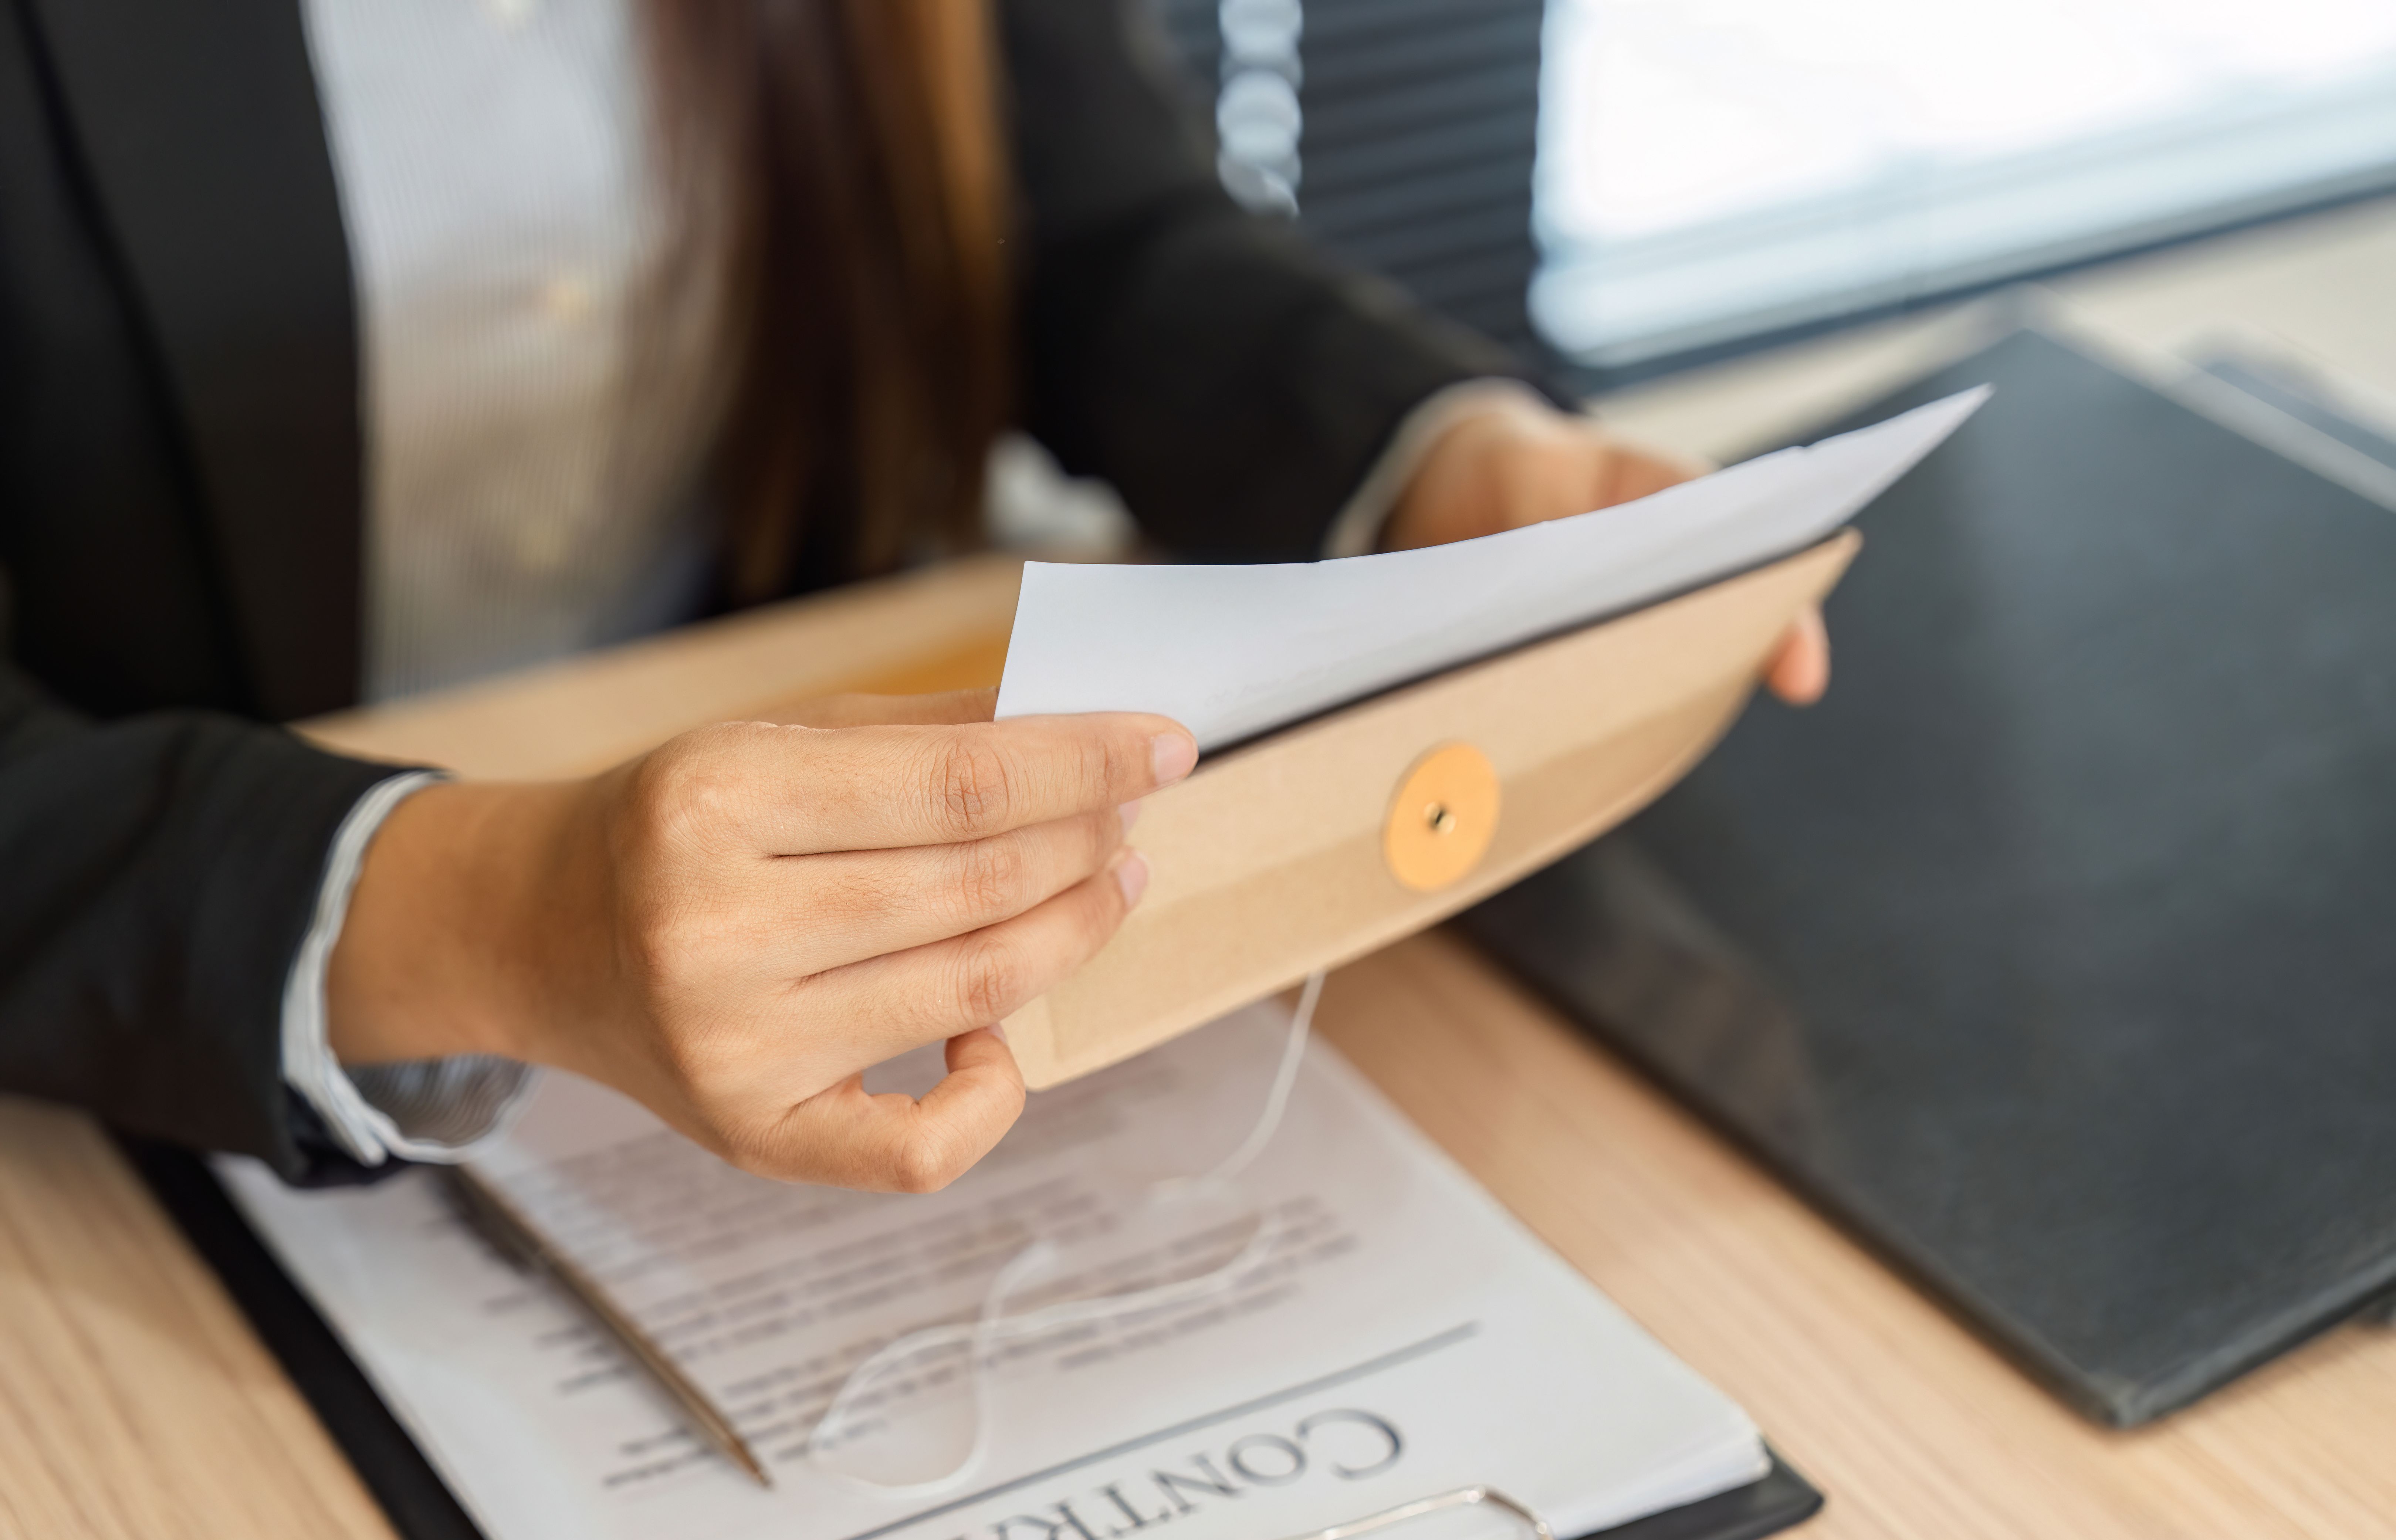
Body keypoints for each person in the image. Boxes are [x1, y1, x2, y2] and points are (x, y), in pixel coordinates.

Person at [0, 0, 1825, 1194]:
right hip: (203, 961)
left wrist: (1431, 451)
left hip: (874, 934)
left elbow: (1096, 236)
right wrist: (499, 916)